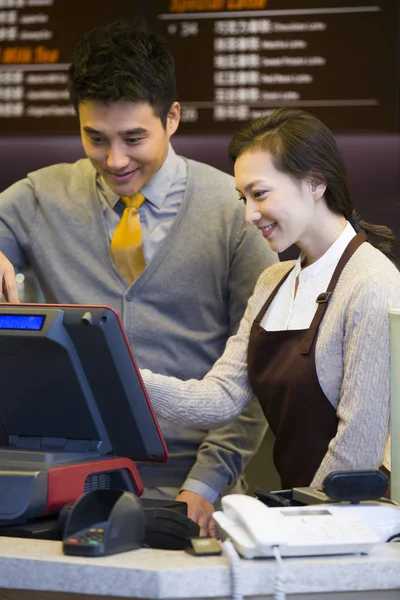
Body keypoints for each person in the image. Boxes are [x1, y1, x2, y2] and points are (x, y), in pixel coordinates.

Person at [0, 21, 278, 535]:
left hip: (192, 492)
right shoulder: (39, 196)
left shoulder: (236, 211)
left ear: (172, 117)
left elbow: (259, 368)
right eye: (95, 138)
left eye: (133, 138)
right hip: (66, 487)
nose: (115, 160)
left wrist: (208, 482)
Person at [141, 107, 400, 490]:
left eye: (259, 193)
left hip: (348, 523)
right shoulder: (272, 282)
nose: (249, 214)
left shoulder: (373, 282)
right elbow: (221, 398)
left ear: (315, 183)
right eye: (243, 197)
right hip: (301, 511)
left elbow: (358, 448)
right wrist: (129, 380)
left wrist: (299, 522)